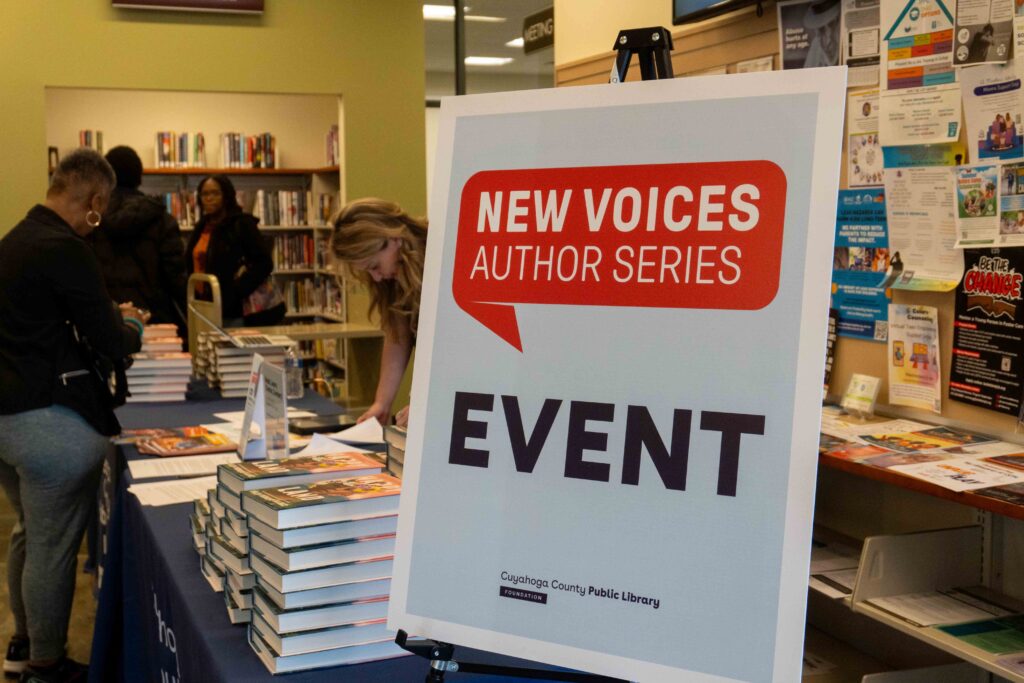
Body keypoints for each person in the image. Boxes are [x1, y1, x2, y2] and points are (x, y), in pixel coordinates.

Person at [0, 149, 144, 683]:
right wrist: (132, 326)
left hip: (6, 417)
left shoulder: (13, 241)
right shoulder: (66, 248)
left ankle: (21, 645)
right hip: (48, 422)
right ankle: (47, 663)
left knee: (29, 534)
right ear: (96, 202)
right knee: (54, 547)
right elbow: (108, 343)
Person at [329, 198, 427, 427]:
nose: (376, 277)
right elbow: (397, 335)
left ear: (393, 238)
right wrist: (382, 403)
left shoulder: (443, 255)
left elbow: (461, 345)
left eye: (374, 266)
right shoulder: (395, 272)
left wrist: (432, 401)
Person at [88, 146, 187, 331]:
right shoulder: (162, 220)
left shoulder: (91, 220)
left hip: (106, 317)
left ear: (106, 177)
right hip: (155, 319)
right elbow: (175, 277)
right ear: (139, 176)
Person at [184, 175, 282, 326]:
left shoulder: (241, 224)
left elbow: (263, 263)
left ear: (226, 196)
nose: (209, 198)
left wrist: (236, 292)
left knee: (231, 348)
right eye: (205, 194)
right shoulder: (201, 226)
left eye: (215, 193)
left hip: (235, 309)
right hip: (204, 304)